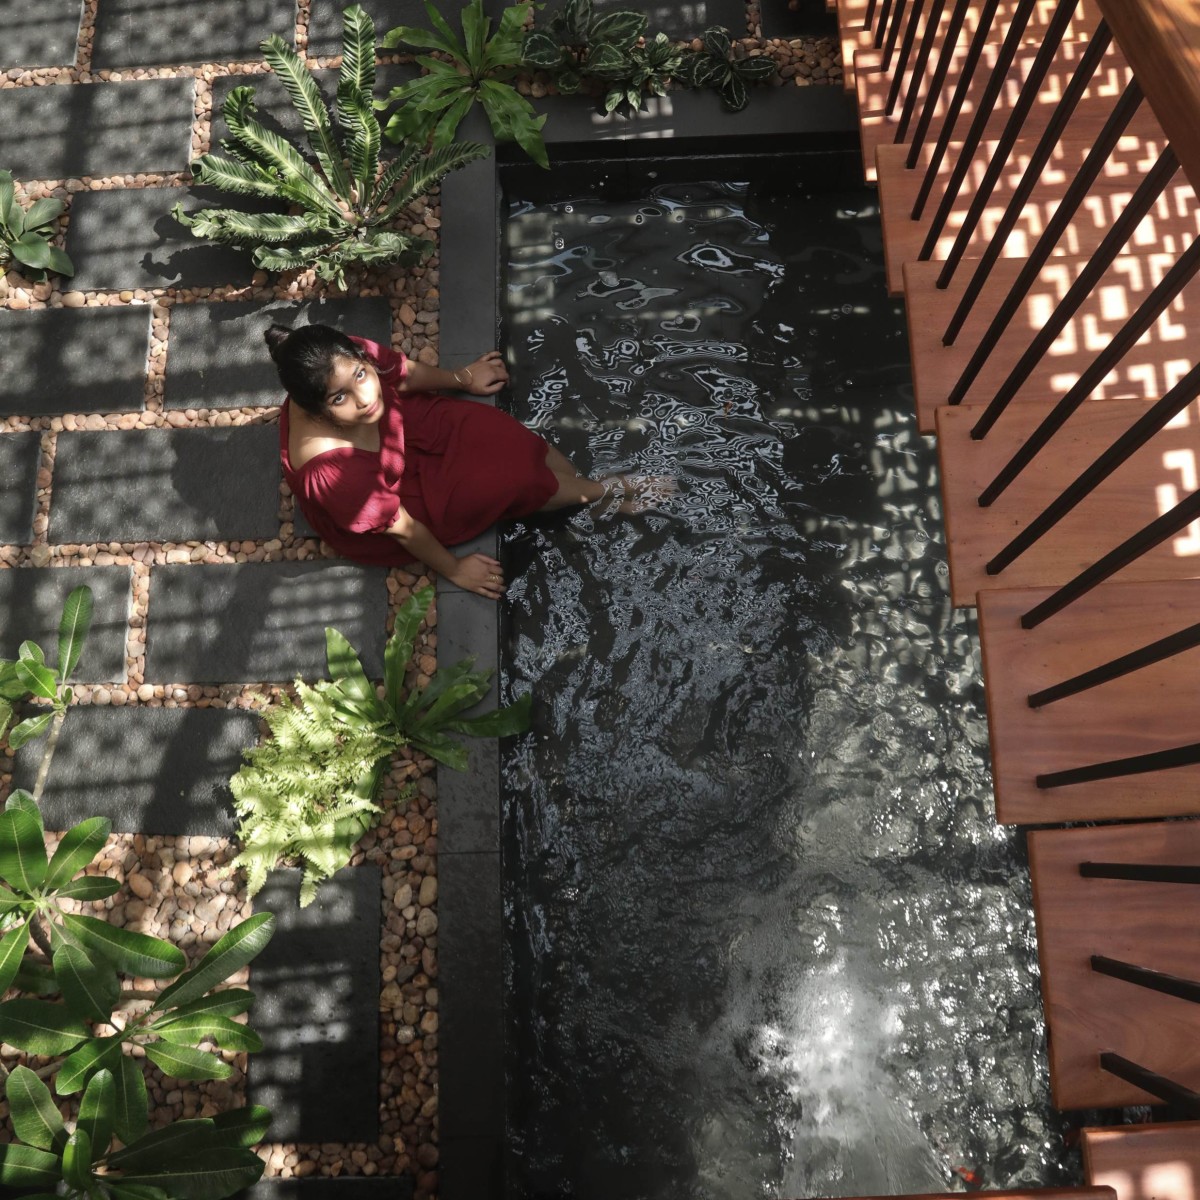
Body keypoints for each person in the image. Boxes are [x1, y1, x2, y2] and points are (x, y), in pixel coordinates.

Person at [269, 323, 644, 599]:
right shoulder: (332, 473)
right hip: (399, 496)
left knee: (509, 437)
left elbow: (399, 374)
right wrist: (454, 569)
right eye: (339, 398)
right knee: (517, 479)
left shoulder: (346, 359)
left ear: (359, 359)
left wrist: (461, 378)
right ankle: (602, 492)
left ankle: (587, 492)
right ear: (315, 410)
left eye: (361, 375)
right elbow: (401, 527)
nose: (366, 398)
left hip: (408, 427)